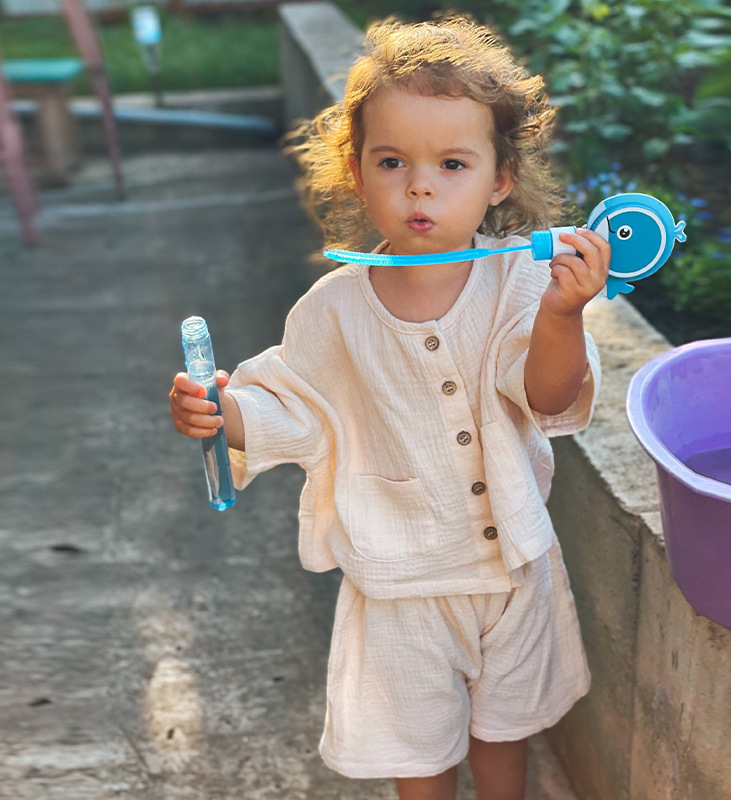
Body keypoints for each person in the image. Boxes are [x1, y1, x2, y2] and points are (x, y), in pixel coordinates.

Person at [170, 16, 609, 800]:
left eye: (452, 163)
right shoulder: (333, 310)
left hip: (514, 572)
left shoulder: (522, 285)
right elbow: (294, 407)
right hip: (401, 584)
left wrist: (563, 316)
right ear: (356, 171)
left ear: (500, 179)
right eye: (392, 161)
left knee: (504, 738)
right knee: (419, 752)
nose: (420, 186)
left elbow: (546, 397)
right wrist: (219, 410)